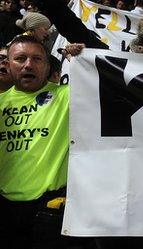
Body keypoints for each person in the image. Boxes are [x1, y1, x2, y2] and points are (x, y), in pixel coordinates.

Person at [0, 34, 70, 249]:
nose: (29, 64)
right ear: (8, 64)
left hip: (49, 211)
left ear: (48, 65)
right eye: (20, 59)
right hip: (3, 212)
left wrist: (87, 55)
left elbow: (112, 80)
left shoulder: (69, 96)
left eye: (37, 59)